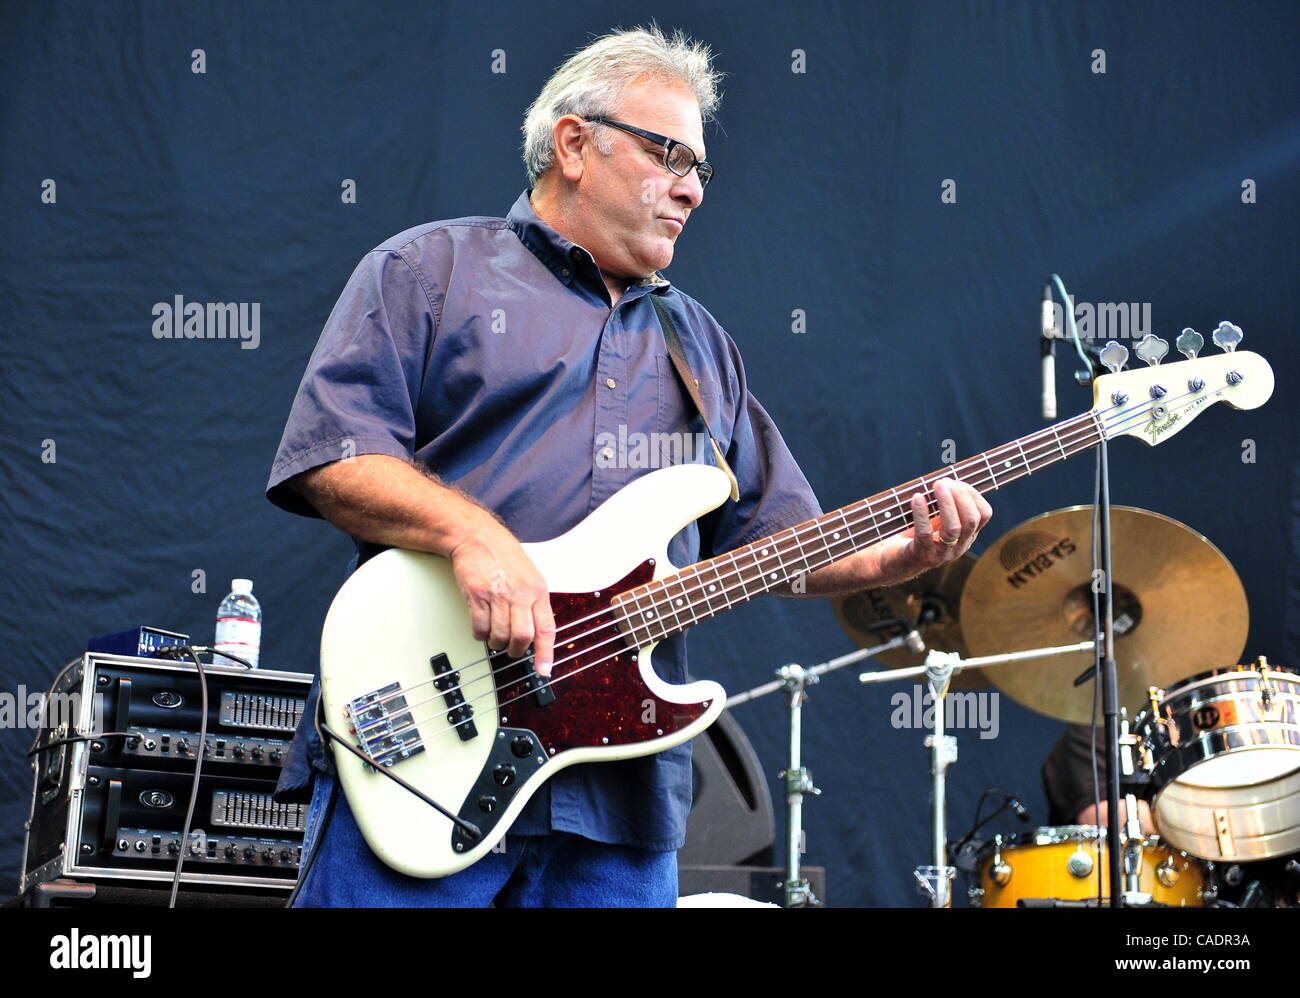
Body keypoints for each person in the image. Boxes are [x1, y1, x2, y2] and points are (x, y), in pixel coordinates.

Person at [265, 24, 992, 907]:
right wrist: (471, 534)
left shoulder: (701, 345)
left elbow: (778, 537)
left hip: (619, 801)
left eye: (701, 171)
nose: (691, 189)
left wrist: (890, 559)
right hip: (424, 757)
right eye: (668, 155)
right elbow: (331, 455)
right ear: (574, 143)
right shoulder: (429, 271)